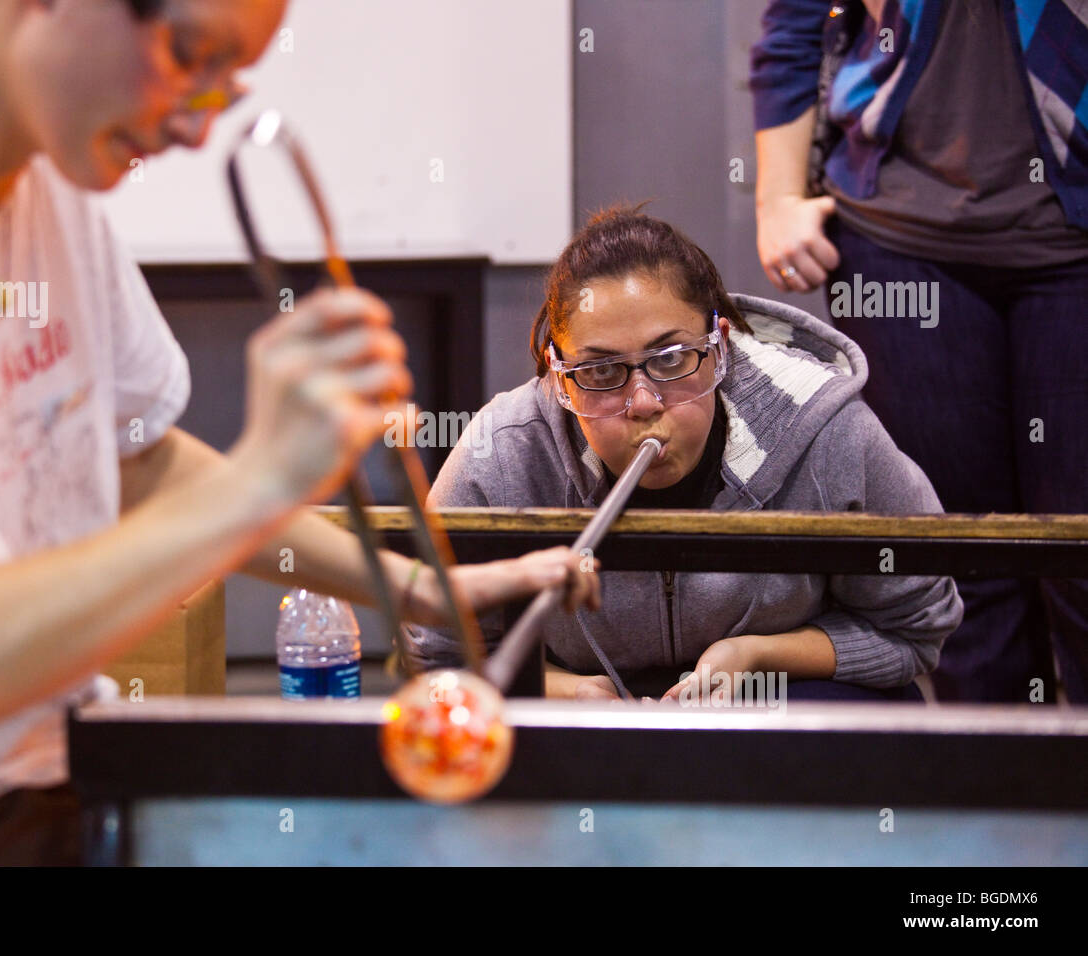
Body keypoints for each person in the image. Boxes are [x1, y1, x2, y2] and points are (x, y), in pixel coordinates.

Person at [0, 0, 598, 865]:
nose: (196, 126)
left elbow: (137, 458)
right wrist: (261, 475)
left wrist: (408, 588)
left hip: (67, 770)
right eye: (185, 54)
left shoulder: (50, 196)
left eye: (228, 82)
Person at [405, 207, 963, 703]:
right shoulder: (500, 454)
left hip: (778, 703)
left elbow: (911, 631)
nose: (643, 402)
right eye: (600, 372)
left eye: (672, 359)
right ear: (561, 378)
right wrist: (569, 692)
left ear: (719, 347)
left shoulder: (826, 430)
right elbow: (439, 661)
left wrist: (756, 656)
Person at [750, 0, 1088, 703]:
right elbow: (800, 18)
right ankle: (995, 800)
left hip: (1073, 240)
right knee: (957, 558)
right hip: (899, 237)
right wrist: (777, 197)